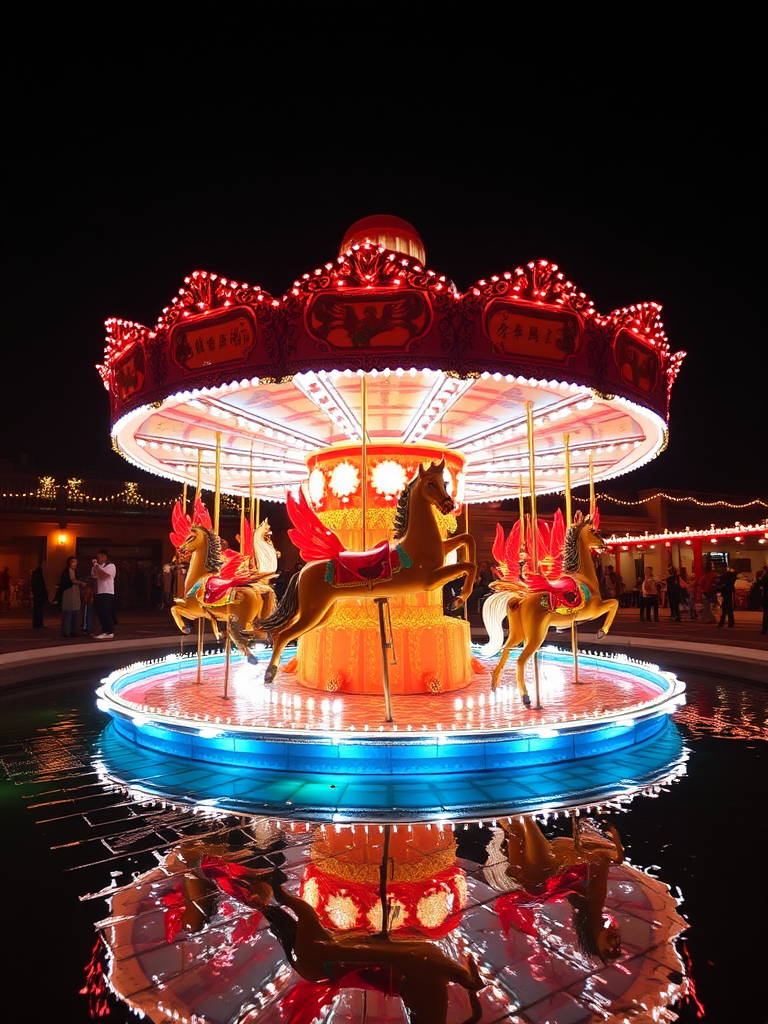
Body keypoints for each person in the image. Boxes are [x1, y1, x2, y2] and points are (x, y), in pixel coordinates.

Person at [498, 816, 623, 963]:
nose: (614, 943)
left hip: (564, 861)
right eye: (617, 944)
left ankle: (517, 825)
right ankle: (519, 822)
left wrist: (616, 850)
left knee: (529, 881)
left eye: (609, 949)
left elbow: (604, 863)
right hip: (565, 858)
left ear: (595, 942)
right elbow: (605, 862)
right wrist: (616, 848)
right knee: (532, 880)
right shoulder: (594, 905)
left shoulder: (588, 906)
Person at [56, 557, 84, 637]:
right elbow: (64, 582)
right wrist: (72, 581)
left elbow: (80, 579)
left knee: (76, 612)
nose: (75, 564)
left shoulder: (77, 572)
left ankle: (75, 631)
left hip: (76, 592)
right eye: (73, 562)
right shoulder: (66, 572)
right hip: (68, 592)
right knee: (67, 612)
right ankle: (66, 631)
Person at [91, 549, 117, 639]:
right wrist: (95, 567)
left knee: (106, 612)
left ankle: (109, 631)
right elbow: (94, 575)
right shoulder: (99, 566)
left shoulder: (111, 566)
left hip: (108, 592)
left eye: (99, 557)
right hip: (99, 592)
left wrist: (97, 566)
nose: (98, 559)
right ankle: (104, 630)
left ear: (104, 557)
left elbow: (105, 576)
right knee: (101, 612)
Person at [30, 562, 48, 628]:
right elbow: (42, 585)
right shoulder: (39, 575)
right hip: (39, 595)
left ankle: (36, 623)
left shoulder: (35, 575)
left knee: (37, 609)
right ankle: (39, 623)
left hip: (37, 595)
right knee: (39, 610)